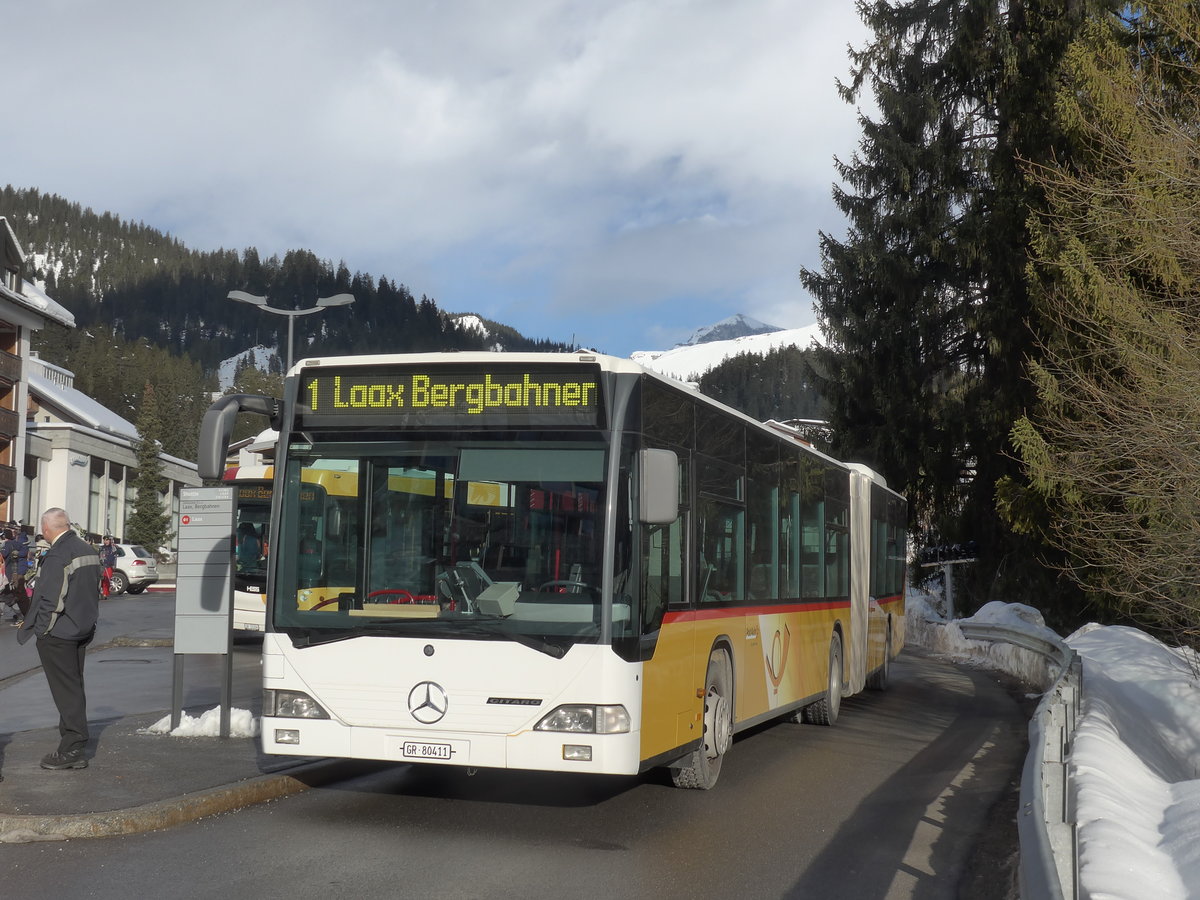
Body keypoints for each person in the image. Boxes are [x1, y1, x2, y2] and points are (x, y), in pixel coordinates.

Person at [17, 509, 102, 770]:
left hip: (59, 634)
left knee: (66, 691)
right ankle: (73, 744)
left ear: (46, 527)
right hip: (81, 629)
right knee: (73, 687)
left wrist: (43, 631)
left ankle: (72, 748)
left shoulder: (58, 555)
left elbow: (51, 601)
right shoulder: (86, 549)